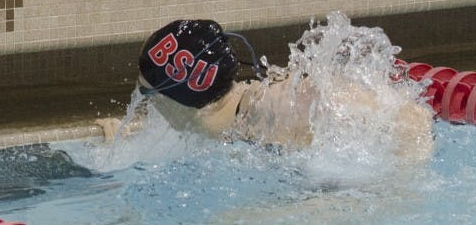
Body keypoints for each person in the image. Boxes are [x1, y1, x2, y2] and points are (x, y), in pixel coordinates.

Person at [134, 18, 434, 160]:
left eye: (147, 96)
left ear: (174, 99)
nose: (149, 109)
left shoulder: (275, 109)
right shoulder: (229, 117)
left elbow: (411, 120)